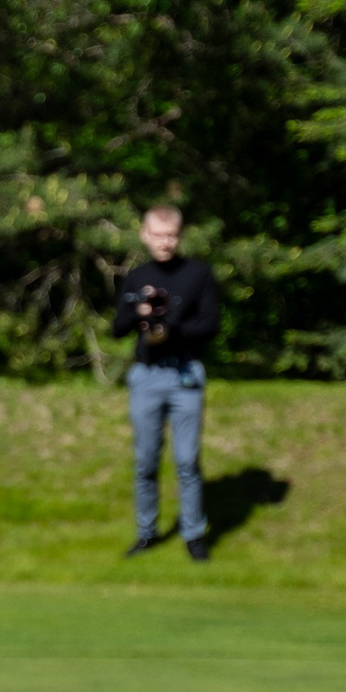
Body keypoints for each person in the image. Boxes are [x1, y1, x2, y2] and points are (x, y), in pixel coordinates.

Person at [112, 203, 220, 561]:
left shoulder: (198, 274)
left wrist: (172, 329)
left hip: (185, 374)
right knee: (146, 461)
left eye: (171, 235)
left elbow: (210, 325)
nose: (165, 242)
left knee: (187, 461)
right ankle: (147, 533)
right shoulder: (136, 277)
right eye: (158, 235)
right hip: (147, 376)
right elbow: (117, 328)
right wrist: (139, 312)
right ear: (145, 235)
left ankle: (194, 534)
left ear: (180, 235)